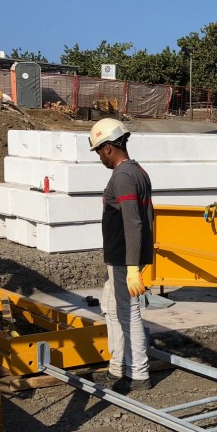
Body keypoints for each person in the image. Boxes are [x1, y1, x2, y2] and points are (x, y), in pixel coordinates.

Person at [89, 118, 155, 392]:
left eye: (98, 152)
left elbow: (133, 222)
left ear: (107, 148)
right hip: (120, 258)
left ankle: (139, 374)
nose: (99, 158)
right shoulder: (136, 171)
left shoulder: (124, 176)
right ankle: (118, 368)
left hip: (123, 259)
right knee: (112, 310)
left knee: (128, 313)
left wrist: (131, 267)